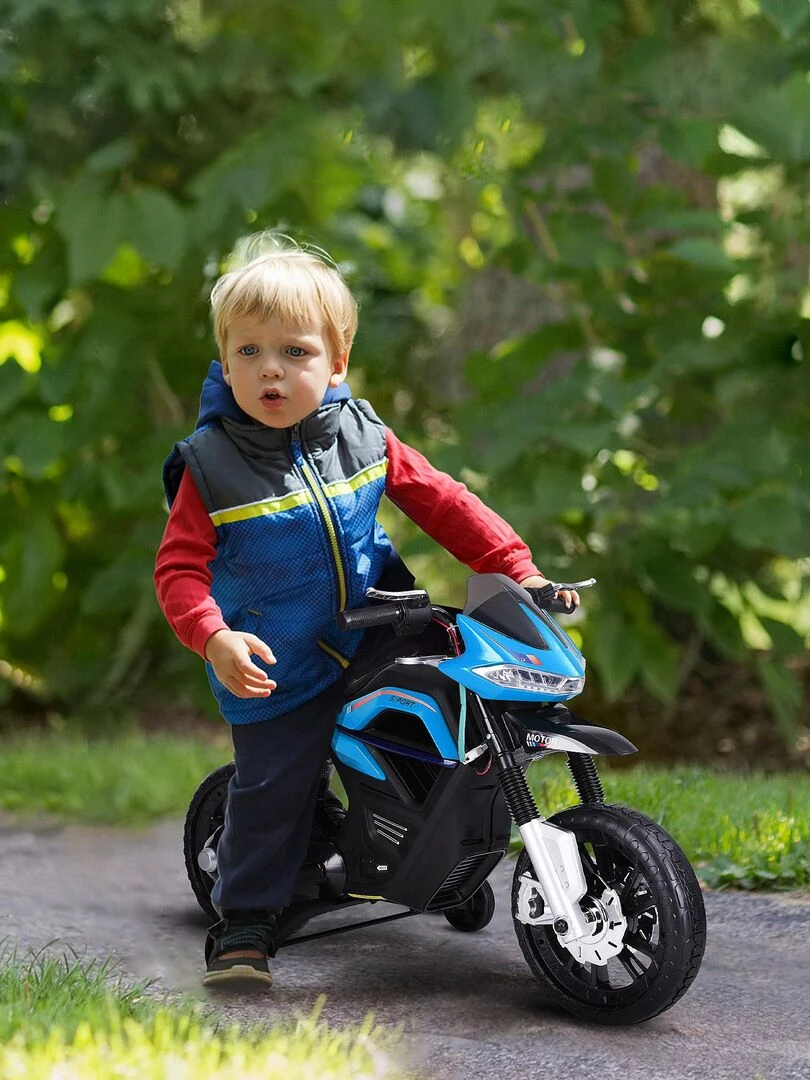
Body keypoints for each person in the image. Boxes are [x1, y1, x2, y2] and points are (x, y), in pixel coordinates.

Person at [154, 234, 577, 991]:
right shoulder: (211, 465)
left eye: (294, 351)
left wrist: (517, 568)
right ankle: (246, 919)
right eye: (248, 352)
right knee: (278, 779)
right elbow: (179, 570)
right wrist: (213, 635)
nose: (271, 370)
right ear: (224, 360)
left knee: (452, 729)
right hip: (279, 659)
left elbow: (445, 503)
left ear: (337, 360)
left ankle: (439, 855)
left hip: (381, 624)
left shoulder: (364, 435)